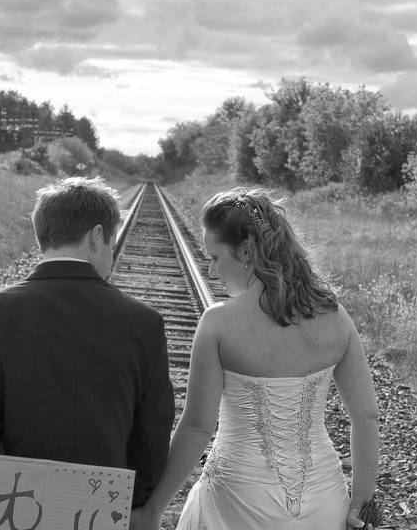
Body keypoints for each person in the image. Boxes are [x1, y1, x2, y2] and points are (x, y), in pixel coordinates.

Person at [133, 188, 379, 530]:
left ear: (246, 250)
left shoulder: (218, 323)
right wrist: (361, 507)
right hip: (324, 505)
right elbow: (366, 417)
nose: (212, 268)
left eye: (215, 257)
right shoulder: (336, 317)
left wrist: (153, 508)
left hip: (236, 504)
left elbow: (198, 427)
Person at [0, 176, 176, 507]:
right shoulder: (144, 323)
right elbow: (153, 434)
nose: (111, 254)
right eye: (111, 244)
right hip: (104, 509)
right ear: (97, 236)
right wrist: (128, 501)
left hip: (10, 508)